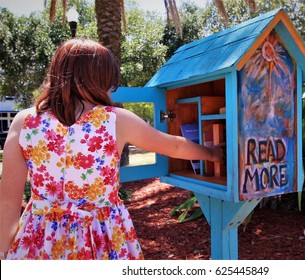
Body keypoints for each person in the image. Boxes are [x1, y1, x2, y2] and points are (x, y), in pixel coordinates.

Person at [0, 38, 223, 260]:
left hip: (40, 239)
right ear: (102, 79)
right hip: (100, 235)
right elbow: (174, 145)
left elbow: (8, 201)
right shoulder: (115, 120)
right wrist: (213, 153)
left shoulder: (24, 122)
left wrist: (3, 251)